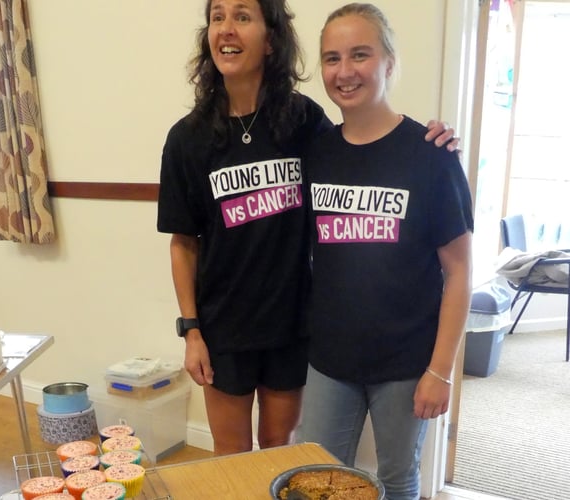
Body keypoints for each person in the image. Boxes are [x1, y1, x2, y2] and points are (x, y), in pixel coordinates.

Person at [157, 0, 457, 457]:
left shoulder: (303, 121)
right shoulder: (187, 138)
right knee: (231, 455)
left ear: (271, 38)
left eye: (242, 16)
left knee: (281, 450)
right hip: (223, 330)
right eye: (217, 17)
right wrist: (191, 331)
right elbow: (183, 242)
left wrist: (434, 138)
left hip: (294, 325)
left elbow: (364, 146)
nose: (226, 29)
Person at [296, 4, 473, 499]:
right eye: (332, 58)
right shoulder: (317, 151)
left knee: (396, 479)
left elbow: (459, 273)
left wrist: (440, 370)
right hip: (330, 358)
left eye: (360, 54)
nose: (344, 71)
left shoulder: (432, 155)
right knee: (318, 481)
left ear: (389, 62)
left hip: (406, 362)